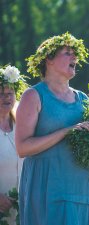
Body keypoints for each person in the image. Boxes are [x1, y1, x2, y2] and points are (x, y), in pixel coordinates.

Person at [15, 33, 89, 225]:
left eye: (75, 53)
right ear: (49, 59)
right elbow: (22, 148)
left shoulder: (84, 100)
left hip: (85, 192)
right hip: (50, 192)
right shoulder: (33, 96)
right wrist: (65, 132)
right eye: (67, 53)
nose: (75, 57)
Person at [0, 65, 27, 225]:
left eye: (10, 93)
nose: (6, 98)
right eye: (1, 94)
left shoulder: (23, 126)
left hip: (22, 208)